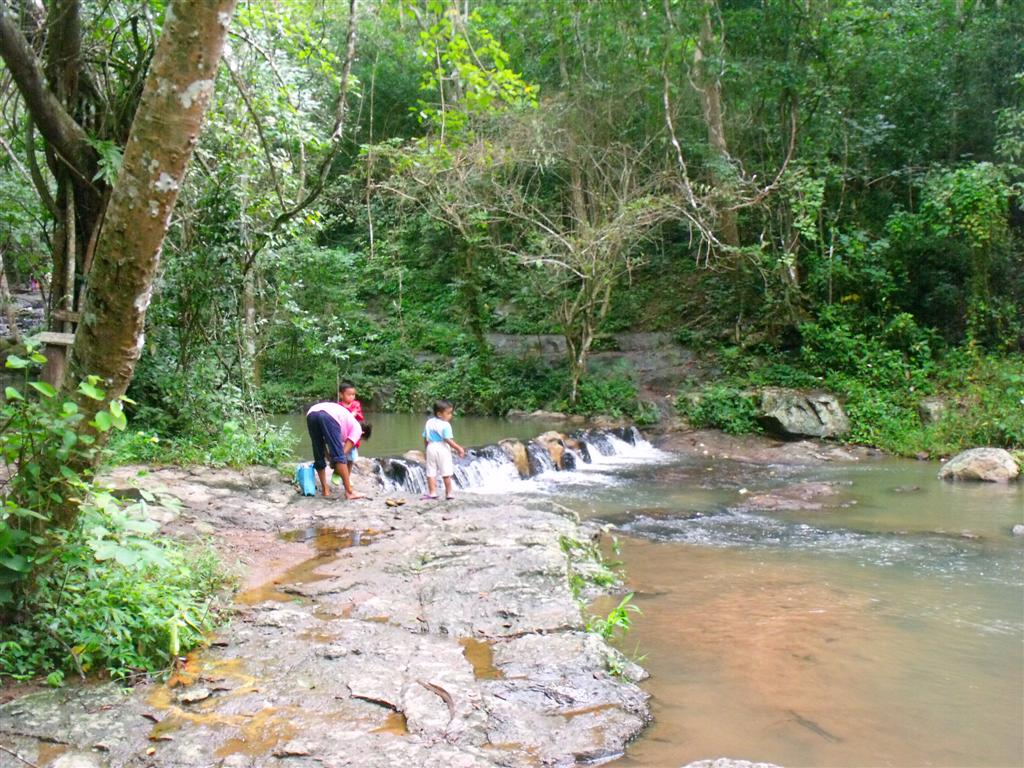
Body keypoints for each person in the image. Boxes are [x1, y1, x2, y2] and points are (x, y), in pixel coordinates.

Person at [306, 400, 371, 500]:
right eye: (360, 439)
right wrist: (334, 461)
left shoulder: (346, 425)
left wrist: (330, 459)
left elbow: (322, 445)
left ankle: (325, 489)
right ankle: (349, 492)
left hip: (311, 413)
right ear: (363, 433)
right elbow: (342, 454)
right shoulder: (357, 429)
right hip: (329, 415)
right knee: (339, 456)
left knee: (317, 450)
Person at [422, 399, 465, 501]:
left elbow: (425, 437)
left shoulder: (429, 422)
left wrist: (426, 450)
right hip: (442, 448)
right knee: (446, 472)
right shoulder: (446, 425)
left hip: (431, 447)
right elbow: (447, 439)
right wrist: (458, 448)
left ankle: (432, 493)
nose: (451, 415)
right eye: (448, 413)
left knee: (431, 471)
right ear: (439, 414)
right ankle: (449, 493)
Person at [337, 381, 365, 462]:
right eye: (349, 395)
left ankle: (348, 470)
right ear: (341, 395)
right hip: (342, 433)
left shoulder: (356, 404)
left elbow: (359, 417)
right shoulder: (338, 406)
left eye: (353, 394)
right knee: (342, 453)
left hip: (352, 432)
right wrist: (350, 415)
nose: (352, 397)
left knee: (351, 458)